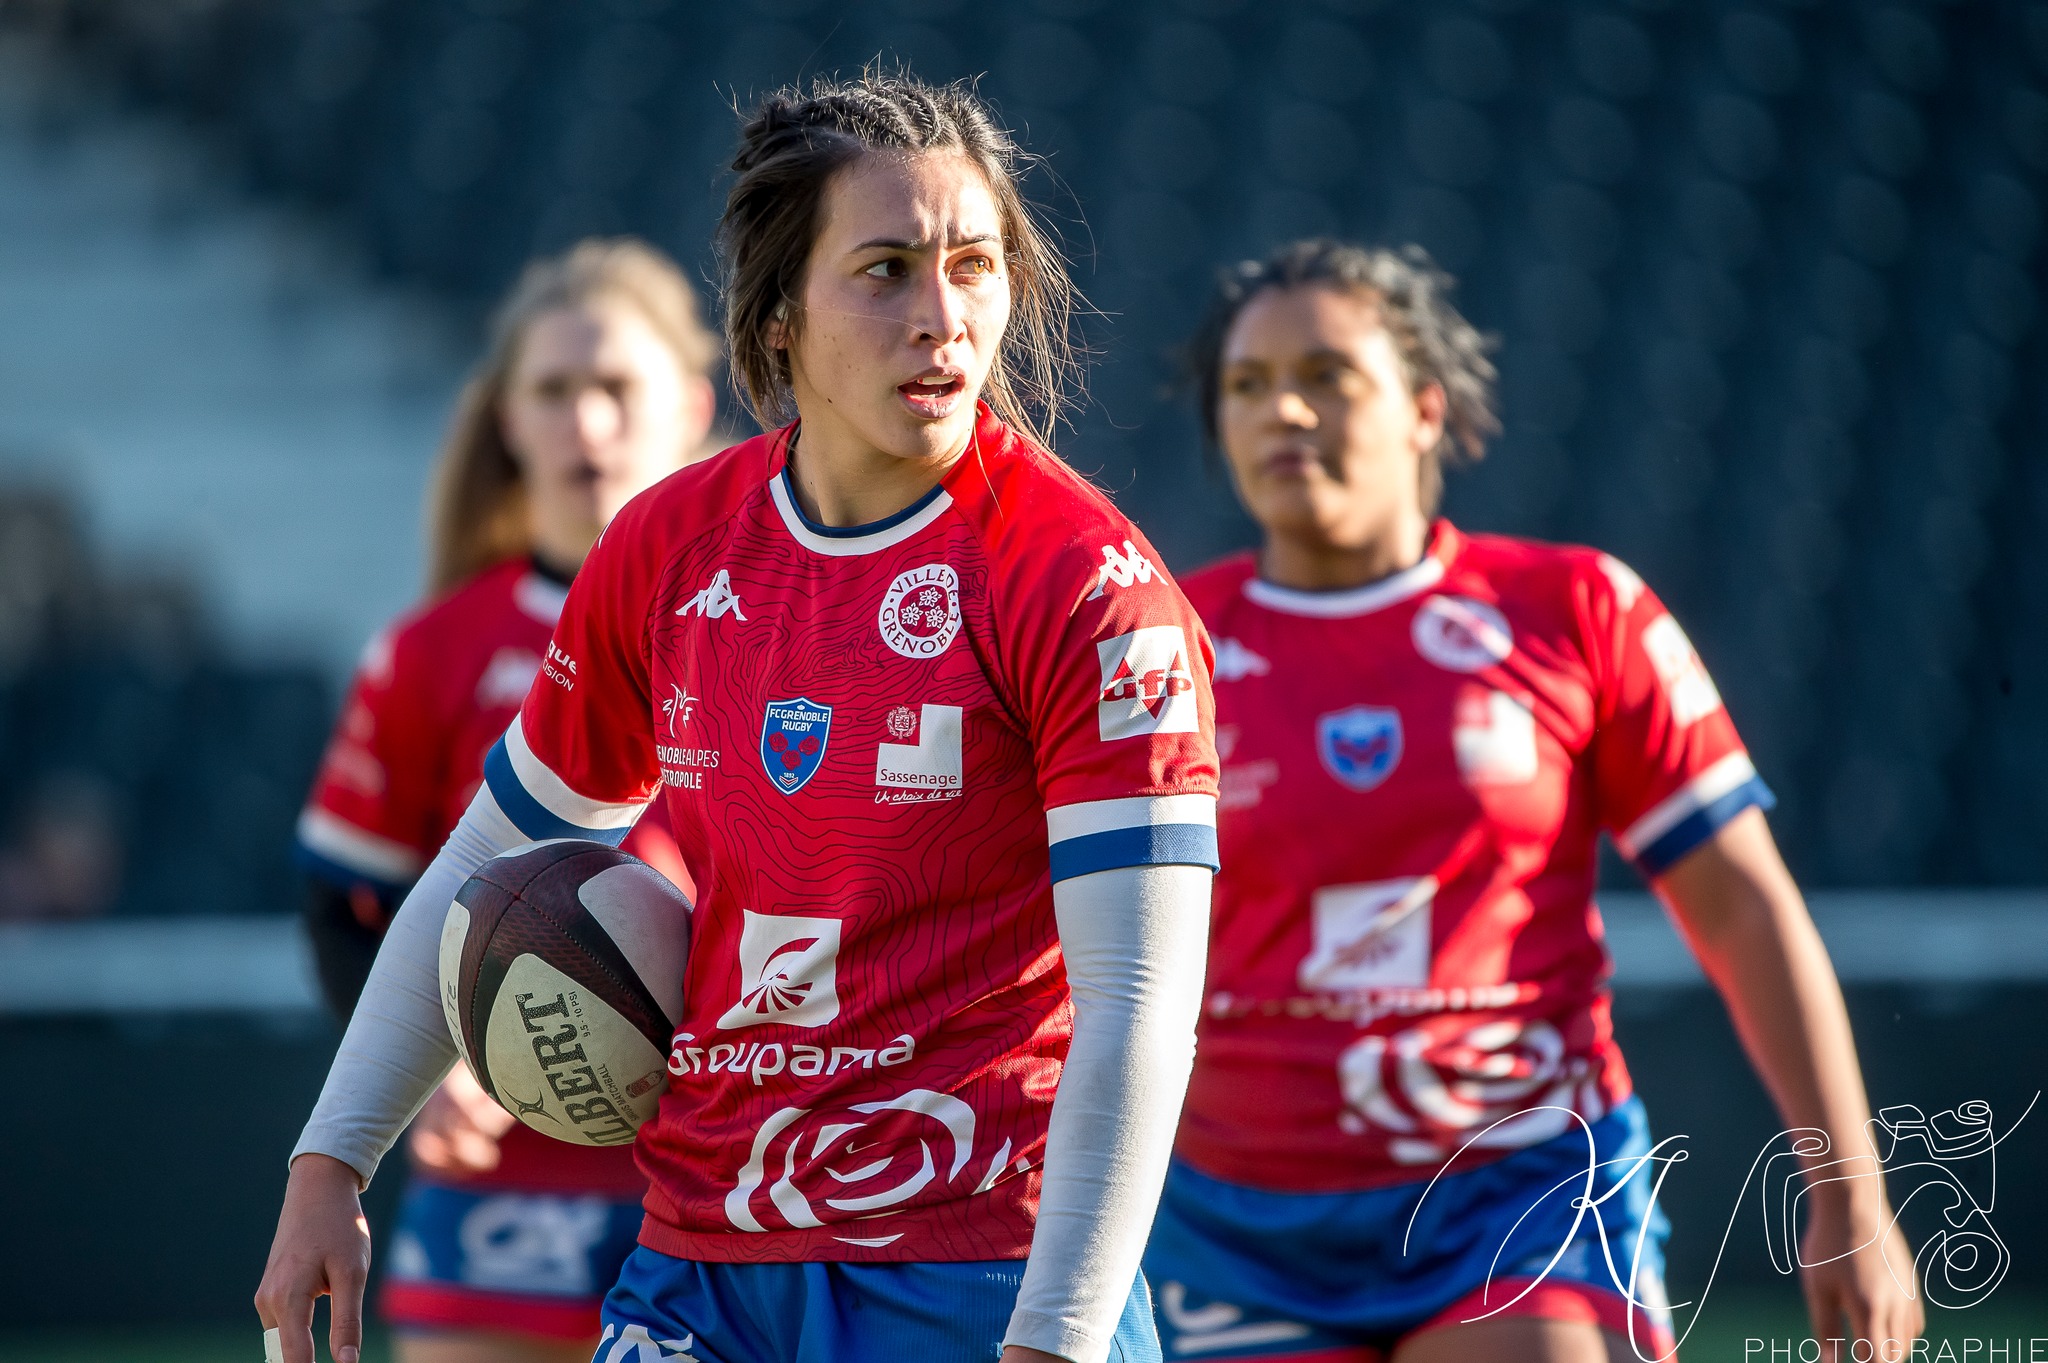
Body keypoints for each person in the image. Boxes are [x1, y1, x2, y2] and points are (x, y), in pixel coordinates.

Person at [258, 71, 1221, 1363]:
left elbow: (1140, 997)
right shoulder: (668, 545)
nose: (944, 317)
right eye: (884, 269)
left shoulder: (1090, 588)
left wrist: (1055, 1335)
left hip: (978, 1267)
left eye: (975, 264)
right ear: (775, 323)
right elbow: (489, 854)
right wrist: (332, 1155)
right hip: (705, 1260)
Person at [1142, 240, 1923, 1363]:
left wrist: (1846, 1188)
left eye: (1326, 376)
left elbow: (1745, 910)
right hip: (1235, 1222)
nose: (1286, 413)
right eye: (1249, 385)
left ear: (1422, 408)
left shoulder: (1576, 611)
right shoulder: (1160, 644)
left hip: (1518, 1192)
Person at [291, 237, 719, 1363]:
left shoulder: (779, 631)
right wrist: (420, 1088)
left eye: (616, 389)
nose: (586, 424)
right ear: (507, 422)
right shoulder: (430, 653)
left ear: (688, 404)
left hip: (729, 1163)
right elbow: (346, 907)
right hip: (501, 1177)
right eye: (554, 391)